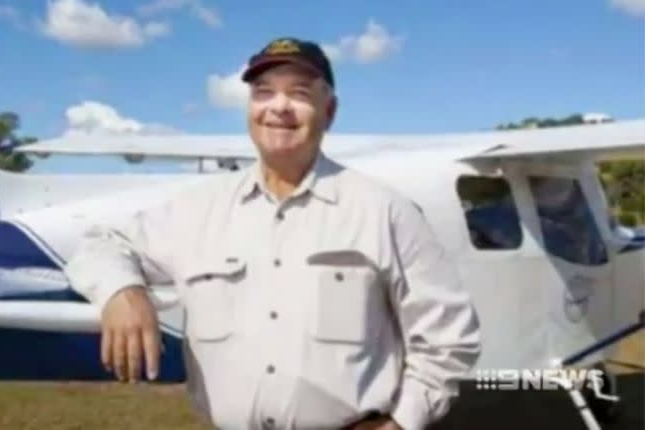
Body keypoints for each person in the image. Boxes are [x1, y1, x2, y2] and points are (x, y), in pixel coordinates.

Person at [63, 37, 482, 430]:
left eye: (300, 93)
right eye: (263, 92)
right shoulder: (195, 211)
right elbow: (100, 244)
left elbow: (448, 340)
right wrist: (125, 291)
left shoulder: (386, 211)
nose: (278, 107)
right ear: (249, 108)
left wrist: (403, 421)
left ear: (330, 111)